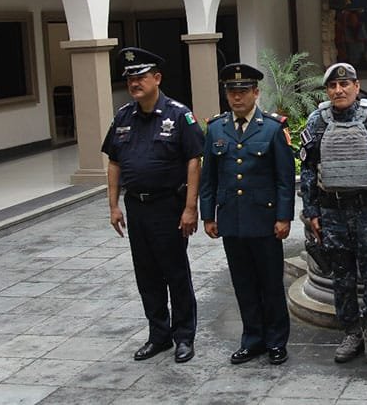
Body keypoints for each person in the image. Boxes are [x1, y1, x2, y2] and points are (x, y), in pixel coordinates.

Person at [102, 47, 204, 363]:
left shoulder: (179, 114)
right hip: (137, 208)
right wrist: (113, 206)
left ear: (156, 78)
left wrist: (190, 208)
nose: (135, 82)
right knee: (146, 275)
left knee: (175, 274)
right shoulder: (122, 117)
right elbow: (114, 162)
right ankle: (158, 335)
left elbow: (193, 161)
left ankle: (184, 336)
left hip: (168, 207)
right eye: (131, 77)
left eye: (141, 76)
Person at [299, 62, 367, 364]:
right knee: (341, 276)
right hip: (332, 210)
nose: (338, 90)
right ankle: (350, 332)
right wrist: (311, 211)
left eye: (345, 85)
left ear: (357, 87)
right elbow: (307, 169)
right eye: (332, 86)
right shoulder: (317, 121)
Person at [200, 63, 295, 366]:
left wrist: (284, 217)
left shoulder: (272, 128)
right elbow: (209, 178)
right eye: (231, 91)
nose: (236, 97)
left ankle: (277, 341)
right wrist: (208, 215)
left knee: (270, 284)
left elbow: (284, 179)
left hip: (265, 221)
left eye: (242, 91)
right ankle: (252, 339)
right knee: (243, 284)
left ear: (256, 92)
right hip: (232, 220)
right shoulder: (216, 128)